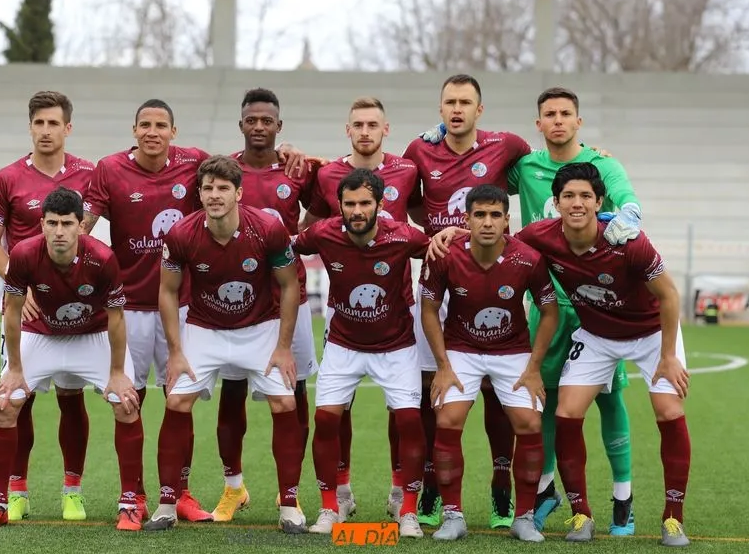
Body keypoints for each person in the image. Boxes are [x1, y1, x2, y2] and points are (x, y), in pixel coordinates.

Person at [513, 162, 691, 546]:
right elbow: (497, 242)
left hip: (650, 332)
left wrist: (668, 357)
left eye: (585, 196)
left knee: (668, 410)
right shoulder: (540, 235)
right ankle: (581, 514)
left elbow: (669, 296)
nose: (577, 203)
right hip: (597, 334)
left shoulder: (629, 242)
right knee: (566, 412)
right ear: (556, 203)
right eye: (568, 196)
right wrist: (452, 234)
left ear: (599, 203)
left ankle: (673, 518)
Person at [144, 155, 307, 534]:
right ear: (199, 194)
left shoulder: (267, 228)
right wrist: (175, 352)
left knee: (285, 403)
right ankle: (166, 505)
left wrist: (283, 346)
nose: (214, 195)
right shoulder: (181, 234)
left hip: (260, 327)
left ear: (239, 193)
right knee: (176, 401)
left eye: (222, 188)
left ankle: (289, 505)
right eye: (208, 189)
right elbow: (167, 291)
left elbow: (289, 285)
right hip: (205, 329)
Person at [0, 187, 145, 531]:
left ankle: (129, 503)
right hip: (42, 334)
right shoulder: (23, 254)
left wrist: (117, 373)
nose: (59, 231)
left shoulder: (102, 258)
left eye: (67, 223)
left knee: (126, 403)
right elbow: (13, 312)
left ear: (81, 225)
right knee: (5, 403)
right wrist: (15, 369)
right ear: (42, 225)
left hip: (92, 334)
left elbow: (116, 317)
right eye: (52, 223)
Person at [508, 87, 641, 534]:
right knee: (543, 400)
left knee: (608, 398)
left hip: (595, 303)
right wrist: (437, 134)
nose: (558, 120)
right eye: (550, 114)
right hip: (545, 302)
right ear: (539, 123)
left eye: (566, 113)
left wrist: (628, 216)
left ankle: (623, 497)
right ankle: (547, 490)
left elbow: (627, 200)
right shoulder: (525, 167)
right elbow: (474, 168)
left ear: (578, 121)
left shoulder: (602, 165)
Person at [404, 74, 532, 528]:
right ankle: (431, 485)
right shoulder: (419, 150)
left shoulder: (506, 144)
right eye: (450, 102)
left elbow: (546, 166)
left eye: (465, 102)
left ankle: (501, 485)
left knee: (498, 389)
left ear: (480, 110)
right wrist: (438, 233)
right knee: (432, 388)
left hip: (492, 276)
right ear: (440, 109)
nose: (457, 109)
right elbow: (409, 201)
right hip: (440, 277)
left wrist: (597, 155)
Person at [82, 98, 213, 523]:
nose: (152, 132)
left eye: (160, 125)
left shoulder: (195, 163)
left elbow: (236, 175)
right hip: (130, 307)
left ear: (174, 132)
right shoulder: (109, 169)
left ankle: (180, 493)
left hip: (182, 306)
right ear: (134, 130)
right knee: (128, 400)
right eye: (145, 125)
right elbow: (84, 226)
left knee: (181, 400)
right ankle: (133, 496)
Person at [299, 96, 420, 519]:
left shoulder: (408, 170)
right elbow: (306, 229)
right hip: (344, 316)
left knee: (403, 413)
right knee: (337, 410)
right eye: (358, 125)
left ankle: (401, 494)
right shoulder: (327, 174)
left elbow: (426, 221)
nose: (365, 131)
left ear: (386, 129)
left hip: (397, 309)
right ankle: (340, 492)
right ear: (347, 130)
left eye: (373, 124)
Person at [420, 185, 559, 543]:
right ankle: (453, 516)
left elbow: (549, 312)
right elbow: (429, 309)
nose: (487, 222)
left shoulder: (527, 258)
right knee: (447, 418)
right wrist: (443, 365)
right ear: (466, 219)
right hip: (461, 349)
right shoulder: (444, 255)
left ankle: (523, 518)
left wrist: (533, 368)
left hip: (512, 351)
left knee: (529, 422)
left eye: (495, 215)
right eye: (479, 215)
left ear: (507, 220)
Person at [0, 91, 95, 522]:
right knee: (17, 397)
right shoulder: (6, 178)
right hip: (23, 307)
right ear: (30, 127)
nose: (46, 131)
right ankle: (17, 491)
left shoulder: (90, 175)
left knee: (71, 397)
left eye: (53, 123)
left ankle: (72, 491)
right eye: (39, 123)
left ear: (68, 128)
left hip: (74, 308)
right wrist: (19, 284)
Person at [213, 88, 320, 522]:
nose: (259, 126)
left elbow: (326, 199)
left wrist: (299, 235)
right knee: (232, 391)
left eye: (267, 120)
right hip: (236, 302)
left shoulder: (298, 170)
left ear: (279, 126)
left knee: (295, 393)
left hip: (288, 297)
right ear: (241, 125)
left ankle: (288, 491)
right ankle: (233, 487)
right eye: (252, 120)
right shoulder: (224, 170)